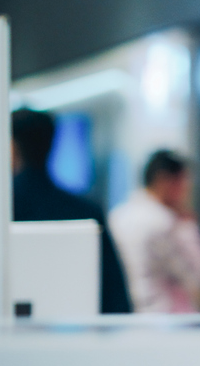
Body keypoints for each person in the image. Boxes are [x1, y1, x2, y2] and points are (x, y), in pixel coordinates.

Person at [9, 108, 131, 315]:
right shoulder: (86, 211)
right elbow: (116, 300)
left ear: (11, 146)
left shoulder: (1, 212)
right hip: (76, 337)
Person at [110, 149, 200, 314]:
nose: (187, 191)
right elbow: (197, 276)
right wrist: (187, 226)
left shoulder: (117, 216)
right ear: (165, 181)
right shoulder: (163, 222)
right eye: (184, 183)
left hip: (127, 315)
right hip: (162, 320)